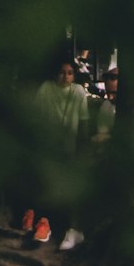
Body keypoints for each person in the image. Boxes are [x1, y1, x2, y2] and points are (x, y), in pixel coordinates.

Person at [22, 56, 90, 249]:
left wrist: (81, 148)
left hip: (68, 147)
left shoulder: (78, 91)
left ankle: (56, 225)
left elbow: (83, 122)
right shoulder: (46, 89)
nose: (65, 77)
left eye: (70, 73)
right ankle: (40, 221)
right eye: (62, 72)